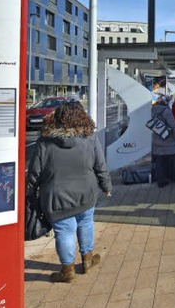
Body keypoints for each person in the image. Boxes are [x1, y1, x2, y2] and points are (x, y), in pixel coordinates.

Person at [27, 102, 112, 283]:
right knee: (86, 223)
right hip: (86, 194)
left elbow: (34, 171)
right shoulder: (90, 137)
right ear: (82, 117)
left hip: (56, 198)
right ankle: (87, 260)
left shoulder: (45, 140)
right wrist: (106, 186)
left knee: (64, 231)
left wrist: (30, 191)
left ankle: (67, 270)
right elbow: (100, 164)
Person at [151, 94, 175, 188]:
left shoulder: (153, 111)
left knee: (159, 161)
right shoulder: (166, 111)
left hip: (156, 140)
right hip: (169, 141)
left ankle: (161, 182)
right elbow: (174, 126)